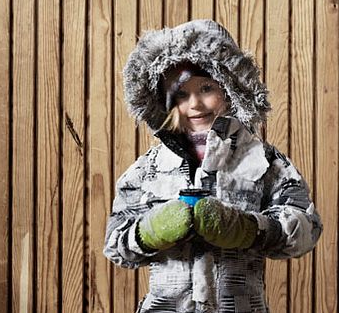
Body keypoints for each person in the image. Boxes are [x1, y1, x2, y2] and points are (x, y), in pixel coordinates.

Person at [104, 19, 322, 313]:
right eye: (181, 94)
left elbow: (306, 227)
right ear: (165, 101)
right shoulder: (147, 169)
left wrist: (250, 229)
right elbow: (115, 243)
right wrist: (149, 232)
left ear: (230, 88)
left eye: (206, 88)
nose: (194, 104)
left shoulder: (262, 160)